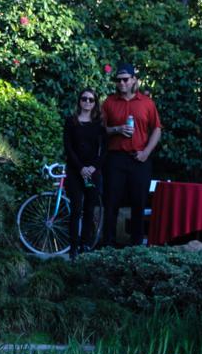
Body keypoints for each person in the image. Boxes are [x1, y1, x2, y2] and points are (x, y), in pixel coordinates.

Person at [98, 63, 161, 249]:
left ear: (134, 80)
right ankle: (107, 246)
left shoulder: (147, 103)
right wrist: (116, 129)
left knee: (138, 203)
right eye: (118, 80)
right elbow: (101, 130)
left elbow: (157, 129)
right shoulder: (109, 102)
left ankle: (135, 248)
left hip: (139, 158)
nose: (121, 83)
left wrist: (147, 152)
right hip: (115, 158)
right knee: (111, 202)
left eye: (125, 79)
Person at [62, 88, 105, 256]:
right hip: (75, 170)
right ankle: (73, 248)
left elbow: (104, 150)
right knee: (76, 209)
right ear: (79, 101)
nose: (87, 102)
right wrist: (80, 168)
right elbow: (68, 147)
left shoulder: (99, 124)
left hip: (93, 171)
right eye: (84, 99)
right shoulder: (70, 121)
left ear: (95, 103)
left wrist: (93, 167)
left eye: (91, 100)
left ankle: (85, 245)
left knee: (89, 209)